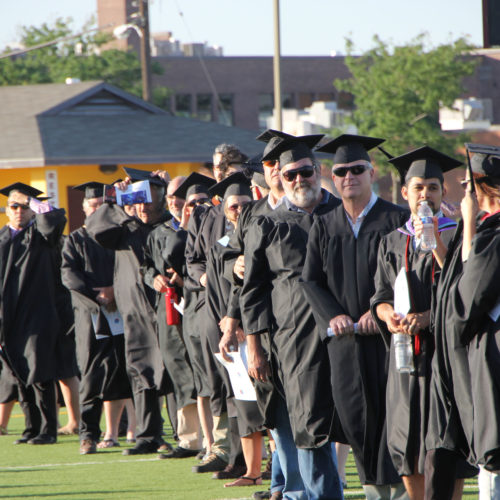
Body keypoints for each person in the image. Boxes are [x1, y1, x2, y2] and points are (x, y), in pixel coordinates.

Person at [301, 135, 409, 499]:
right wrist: (333, 317)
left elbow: (410, 279)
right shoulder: (324, 223)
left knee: (392, 416)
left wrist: (376, 313)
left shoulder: (397, 218)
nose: (349, 177)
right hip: (345, 342)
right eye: (341, 171)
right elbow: (310, 279)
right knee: (355, 418)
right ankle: (374, 491)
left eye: (357, 170)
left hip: (390, 339)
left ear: (371, 173)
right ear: (333, 179)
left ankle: (398, 490)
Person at [241, 134, 343, 499]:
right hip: (295, 340)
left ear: (318, 171)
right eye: (290, 175)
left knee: (359, 422)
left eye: (305, 171)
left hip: (348, 337)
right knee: (308, 428)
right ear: (279, 179)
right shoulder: (268, 224)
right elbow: (252, 291)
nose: (299, 180)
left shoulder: (343, 213)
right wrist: (254, 347)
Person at [369, 147, 463, 499]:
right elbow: (379, 295)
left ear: (443, 192)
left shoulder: (457, 236)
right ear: (405, 192)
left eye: (434, 188)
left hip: (445, 357)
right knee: (406, 441)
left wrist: (427, 317)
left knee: (446, 442)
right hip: (405, 357)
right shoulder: (392, 241)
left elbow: (462, 289)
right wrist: (387, 316)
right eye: (419, 187)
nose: (426, 195)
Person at [86, 168, 170, 455]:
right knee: (140, 370)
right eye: (139, 200)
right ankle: (148, 436)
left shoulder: (169, 225)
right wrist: (114, 199)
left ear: (162, 199)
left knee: (172, 371)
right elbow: (95, 229)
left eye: (150, 199)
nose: (143, 207)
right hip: (134, 312)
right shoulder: (125, 228)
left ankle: (187, 436)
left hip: (167, 309)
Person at [435, 144, 500, 499]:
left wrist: (471, 223)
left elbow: (464, 300)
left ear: (481, 189)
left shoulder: (494, 234)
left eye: (466, 186)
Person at [61, 182, 134, 454]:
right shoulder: (75, 240)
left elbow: (131, 269)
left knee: (127, 370)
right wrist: (98, 299)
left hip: (123, 311)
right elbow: (69, 276)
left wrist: (116, 292)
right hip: (90, 316)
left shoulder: (119, 239)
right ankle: (88, 434)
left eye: (101, 206)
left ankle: (134, 430)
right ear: (84, 208)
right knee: (91, 377)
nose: (96, 211)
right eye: (92, 206)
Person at [0, 182, 67, 445]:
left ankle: (49, 429)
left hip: (39, 314)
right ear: (7, 210)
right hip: (9, 318)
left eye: (25, 207)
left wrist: (39, 206)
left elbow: (54, 221)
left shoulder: (41, 236)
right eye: (14, 206)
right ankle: (31, 427)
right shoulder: (2, 239)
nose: (19, 211)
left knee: (40, 371)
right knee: (18, 373)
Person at [142, 175, 203, 459]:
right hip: (168, 309)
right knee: (178, 369)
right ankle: (189, 439)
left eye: (180, 196)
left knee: (204, 372)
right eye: (170, 197)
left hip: (199, 306)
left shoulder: (204, 227)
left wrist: (185, 278)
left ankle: (214, 440)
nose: (175, 202)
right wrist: (153, 277)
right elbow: (145, 265)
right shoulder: (157, 232)